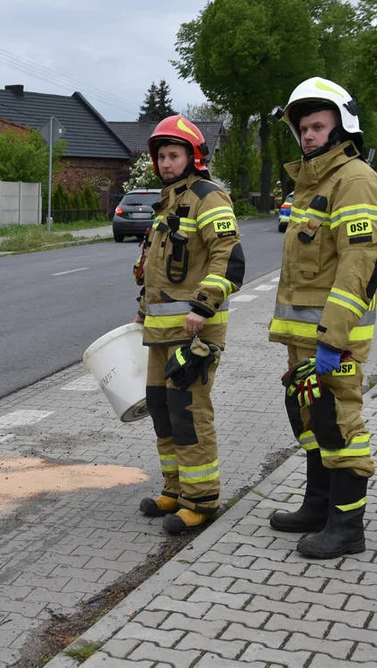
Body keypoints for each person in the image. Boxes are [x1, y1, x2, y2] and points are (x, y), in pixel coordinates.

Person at [268, 77, 377, 558]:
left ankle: (347, 528)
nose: (309, 135)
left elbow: (359, 266)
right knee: (311, 419)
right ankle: (317, 506)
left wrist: (332, 339)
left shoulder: (354, 180)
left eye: (318, 126)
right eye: (303, 128)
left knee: (340, 424)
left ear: (343, 128)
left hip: (334, 339)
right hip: (306, 340)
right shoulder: (311, 184)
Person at [134, 115, 246, 534]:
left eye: (173, 154)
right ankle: (175, 489)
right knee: (163, 411)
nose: (165, 163)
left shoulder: (209, 197)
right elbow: (158, 267)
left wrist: (204, 305)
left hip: (196, 331)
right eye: (161, 156)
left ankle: (201, 501)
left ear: (193, 156)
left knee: (190, 414)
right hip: (161, 332)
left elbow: (228, 259)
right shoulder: (168, 199)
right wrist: (144, 307)